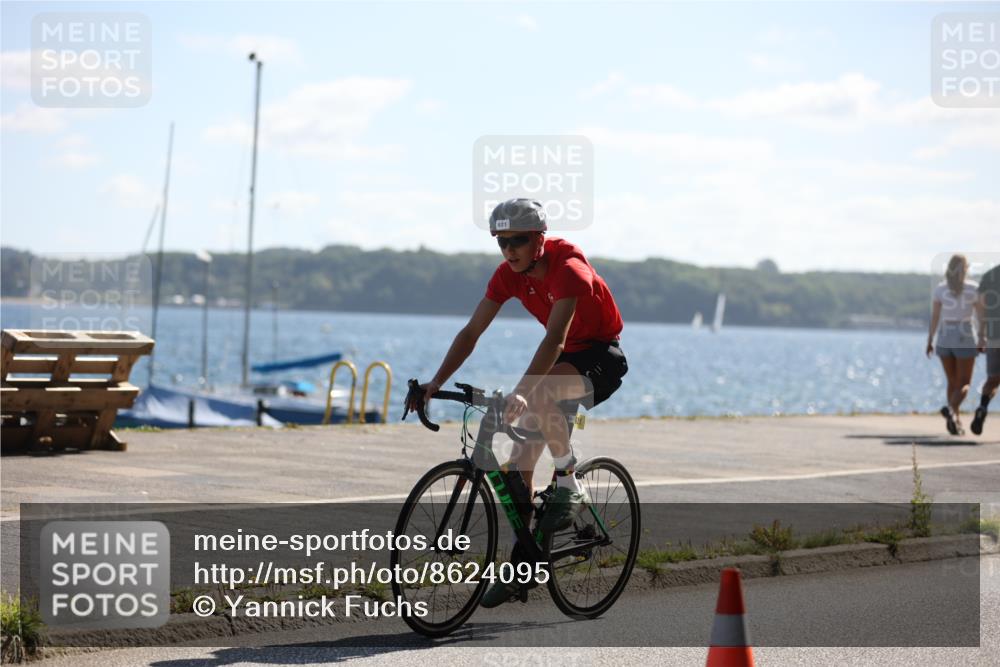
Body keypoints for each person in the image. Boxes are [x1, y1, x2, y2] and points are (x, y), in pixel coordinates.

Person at [411, 198, 627, 607]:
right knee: (517, 469)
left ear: (539, 239)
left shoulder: (569, 269)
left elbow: (555, 340)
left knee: (542, 392)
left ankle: (569, 481)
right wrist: (436, 382)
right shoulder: (508, 276)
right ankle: (523, 567)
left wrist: (524, 392)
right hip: (563, 360)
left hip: (600, 356)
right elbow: (472, 331)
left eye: (519, 241)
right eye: (501, 241)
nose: (510, 249)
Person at [926, 254, 981, 435]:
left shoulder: (940, 290)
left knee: (952, 381)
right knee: (964, 382)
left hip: (944, 334)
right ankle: (951, 410)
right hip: (964, 333)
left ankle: (955, 420)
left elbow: (935, 316)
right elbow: (981, 317)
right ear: (965, 269)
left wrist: (930, 339)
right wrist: (983, 337)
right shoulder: (973, 289)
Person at [971, 262, 1000, 435]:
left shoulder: (989, 275)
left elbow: (980, 307)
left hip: (993, 335)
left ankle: (983, 406)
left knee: (992, 379)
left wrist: (981, 334)